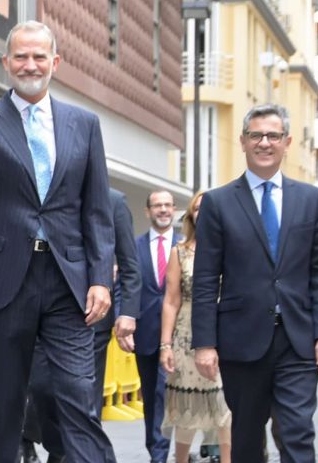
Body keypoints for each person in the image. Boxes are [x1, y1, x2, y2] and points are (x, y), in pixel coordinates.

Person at [0, 3, 116, 463]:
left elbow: (96, 209)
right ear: (7, 63)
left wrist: (100, 278)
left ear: (55, 62)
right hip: (1, 280)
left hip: (68, 283)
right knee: (1, 406)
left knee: (75, 394)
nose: (29, 65)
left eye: (38, 57)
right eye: (20, 57)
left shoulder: (83, 125)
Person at [191, 103, 318, 463]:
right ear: (243, 141)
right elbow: (207, 277)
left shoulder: (312, 199)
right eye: (256, 135)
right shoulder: (218, 203)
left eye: (273, 136)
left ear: (287, 142)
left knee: (297, 432)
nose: (264, 143)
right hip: (241, 341)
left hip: (297, 338)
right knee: (245, 437)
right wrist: (204, 343)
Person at [24, 187, 142, 462]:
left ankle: (71, 455)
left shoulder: (114, 201)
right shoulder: (50, 196)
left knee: (83, 398)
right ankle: (60, 448)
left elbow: (129, 263)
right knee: (42, 388)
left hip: (93, 320)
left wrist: (128, 313)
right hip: (46, 312)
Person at [160, 191, 231, 463]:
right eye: (199, 208)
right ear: (192, 215)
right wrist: (165, 345)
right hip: (186, 337)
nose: (204, 211)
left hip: (225, 332)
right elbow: (170, 300)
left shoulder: (232, 249)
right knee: (186, 409)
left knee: (226, 405)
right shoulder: (180, 251)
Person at [134, 190, 180, 463]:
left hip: (179, 334)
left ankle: (160, 455)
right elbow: (125, 287)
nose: (163, 210)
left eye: (167, 205)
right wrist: (122, 318)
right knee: (151, 398)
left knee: (165, 394)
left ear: (174, 209)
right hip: (146, 332)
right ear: (147, 211)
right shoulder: (135, 245)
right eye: (157, 205)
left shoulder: (187, 245)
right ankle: (155, 448)